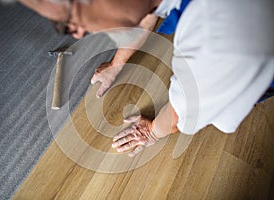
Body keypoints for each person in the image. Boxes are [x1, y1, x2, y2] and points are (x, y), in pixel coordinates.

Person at [18, 0, 274, 157]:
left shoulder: (218, 35)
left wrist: (151, 132)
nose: (78, 33)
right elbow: (148, 10)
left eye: (69, 20)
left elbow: (181, 113)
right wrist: (116, 66)